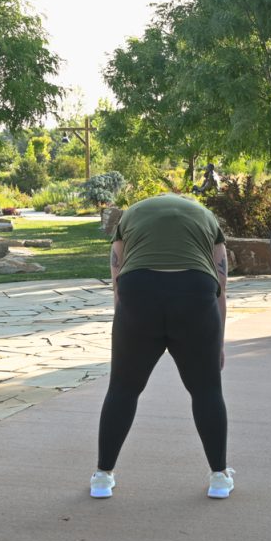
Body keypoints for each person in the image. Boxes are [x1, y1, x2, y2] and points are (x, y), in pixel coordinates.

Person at [91, 193, 235, 501]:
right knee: (207, 389)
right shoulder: (206, 217)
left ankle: (102, 477)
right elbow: (221, 284)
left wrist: (125, 321)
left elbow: (117, 273)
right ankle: (219, 478)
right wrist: (217, 341)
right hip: (195, 292)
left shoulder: (130, 215)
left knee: (123, 388)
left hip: (138, 290)